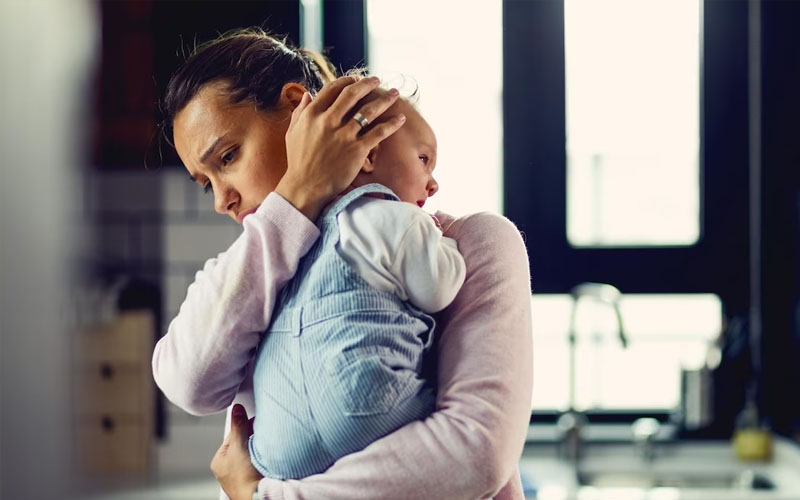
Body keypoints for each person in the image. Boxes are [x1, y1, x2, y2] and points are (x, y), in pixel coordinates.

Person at [152, 28, 532, 500]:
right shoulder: (245, 273)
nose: (222, 200)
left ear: (297, 108)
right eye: (206, 183)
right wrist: (296, 198)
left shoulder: (464, 243)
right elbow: (189, 383)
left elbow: (476, 454)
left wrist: (262, 498)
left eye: (228, 157)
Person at [246, 88, 467, 479]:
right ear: (369, 155)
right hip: (372, 412)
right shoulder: (396, 219)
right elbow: (439, 288)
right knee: (459, 427)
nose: (432, 184)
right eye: (423, 159)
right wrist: (442, 240)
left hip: (280, 446)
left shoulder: (302, 237)